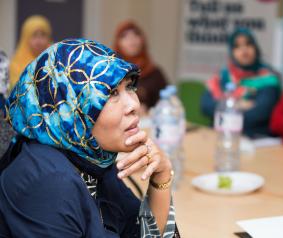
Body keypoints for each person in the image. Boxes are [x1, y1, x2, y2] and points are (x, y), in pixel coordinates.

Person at [0, 39, 177, 237]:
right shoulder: (50, 183)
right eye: (111, 93)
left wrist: (162, 176)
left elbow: (142, 234)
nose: (133, 104)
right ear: (69, 108)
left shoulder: (92, 160)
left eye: (128, 87)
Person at [201, 27, 281, 138]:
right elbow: (206, 106)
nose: (244, 50)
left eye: (248, 44)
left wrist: (225, 106)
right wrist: (239, 104)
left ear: (255, 48)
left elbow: (260, 113)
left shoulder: (268, 78)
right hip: (221, 136)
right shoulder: (223, 76)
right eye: (237, 46)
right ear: (231, 52)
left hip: (254, 137)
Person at [113, 21, 168, 112]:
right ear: (118, 42)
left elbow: (166, 103)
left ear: (142, 40)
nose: (131, 40)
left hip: (147, 123)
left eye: (135, 35)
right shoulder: (111, 71)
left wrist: (149, 110)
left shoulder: (154, 72)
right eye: (124, 36)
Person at [9, 15, 52, 90]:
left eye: (43, 35)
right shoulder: (15, 65)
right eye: (34, 35)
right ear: (25, 38)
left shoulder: (55, 61)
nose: (39, 41)